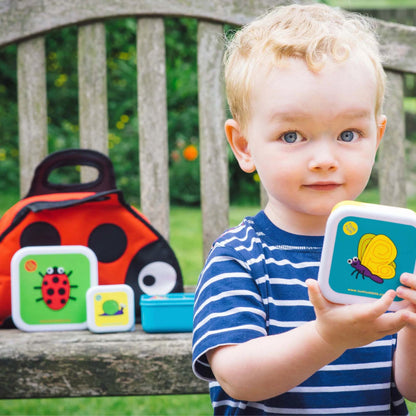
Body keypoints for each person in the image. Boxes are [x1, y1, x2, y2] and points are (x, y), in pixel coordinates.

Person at [192, 3, 416, 415]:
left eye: (349, 133)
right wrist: (328, 338)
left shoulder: (394, 250)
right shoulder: (239, 257)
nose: (324, 158)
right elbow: (238, 378)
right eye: (292, 135)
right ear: (244, 146)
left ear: (377, 135)